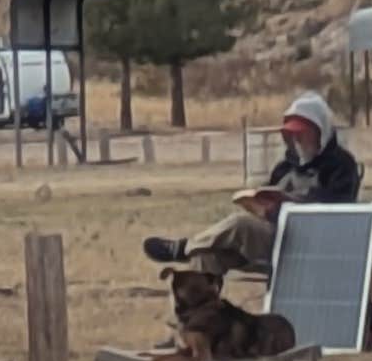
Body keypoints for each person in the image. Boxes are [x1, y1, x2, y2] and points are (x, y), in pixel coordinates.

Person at [146, 92, 359, 278]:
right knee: (205, 256)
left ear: (320, 131)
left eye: (302, 133)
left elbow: (337, 212)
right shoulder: (285, 166)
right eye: (292, 134)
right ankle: (198, 320)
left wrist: (286, 207)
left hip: (311, 244)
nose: (297, 139)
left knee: (241, 225)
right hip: (271, 239)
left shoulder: (341, 166)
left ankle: (183, 248)